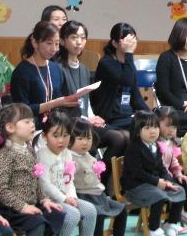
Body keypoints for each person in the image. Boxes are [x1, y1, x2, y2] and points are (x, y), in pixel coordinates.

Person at [55, 21, 128, 186]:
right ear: (63, 41)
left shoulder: (84, 68)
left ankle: (105, 183)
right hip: (70, 123)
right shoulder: (58, 68)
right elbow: (60, 106)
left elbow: (85, 101)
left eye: (82, 38)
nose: (79, 42)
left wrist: (93, 116)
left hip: (86, 121)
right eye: (74, 37)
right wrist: (87, 119)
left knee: (126, 136)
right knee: (117, 138)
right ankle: (96, 180)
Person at [0, 103, 65, 236]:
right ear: (10, 127)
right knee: (37, 223)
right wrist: (23, 207)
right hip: (12, 209)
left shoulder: (29, 149)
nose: (32, 125)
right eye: (27, 122)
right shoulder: (3, 156)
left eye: (32, 121)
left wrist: (44, 199)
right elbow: (1, 190)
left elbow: (36, 179)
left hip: (32, 204)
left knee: (56, 214)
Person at [121, 111, 186, 236]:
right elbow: (138, 173)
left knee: (179, 190)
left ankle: (171, 223)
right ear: (137, 131)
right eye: (147, 128)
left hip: (152, 183)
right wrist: (157, 182)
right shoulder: (134, 148)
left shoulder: (156, 145)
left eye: (155, 127)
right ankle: (153, 228)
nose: (153, 131)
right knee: (158, 195)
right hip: (135, 187)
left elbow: (161, 168)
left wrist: (168, 180)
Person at [36, 111, 97, 236]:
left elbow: (69, 180)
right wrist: (64, 199)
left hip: (66, 197)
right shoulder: (42, 155)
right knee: (72, 215)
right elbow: (45, 185)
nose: (61, 140)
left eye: (65, 135)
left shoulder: (67, 153)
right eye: (56, 136)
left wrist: (72, 197)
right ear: (45, 136)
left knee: (90, 210)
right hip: (49, 200)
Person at [10, 21, 79, 128]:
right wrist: (54, 103)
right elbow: (21, 110)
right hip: (30, 127)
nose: (54, 49)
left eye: (57, 44)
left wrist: (68, 102)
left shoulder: (56, 68)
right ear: (34, 42)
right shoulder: (22, 72)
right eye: (49, 43)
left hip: (54, 126)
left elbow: (60, 98)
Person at [70, 118, 127, 236]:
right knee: (98, 216)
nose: (85, 142)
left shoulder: (89, 156)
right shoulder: (69, 158)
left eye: (88, 138)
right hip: (84, 197)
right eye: (80, 138)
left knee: (122, 210)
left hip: (99, 196)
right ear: (69, 139)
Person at [91, 23, 148, 131]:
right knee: (138, 129)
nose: (131, 43)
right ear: (115, 43)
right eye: (127, 40)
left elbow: (136, 97)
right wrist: (129, 53)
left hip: (127, 116)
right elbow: (126, 80)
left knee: (153, 123)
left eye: (134, 39)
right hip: (110, 118)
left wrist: (150, 115)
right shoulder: (106, 62)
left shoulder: (129, 64)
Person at [154, 106, 187, 231]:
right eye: (167, 125)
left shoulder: (169, 142)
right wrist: (171, 177)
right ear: (156, 123)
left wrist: (179, 174)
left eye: (174, 127)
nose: (171, 130)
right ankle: (171, 221)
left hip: (168, 176)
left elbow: (173, 162)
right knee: (178, 188)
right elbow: (159, 166)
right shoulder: (155, 143)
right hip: (158, 178)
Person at [155, 18, 187, 121]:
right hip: (174, 108)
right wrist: (182, 105)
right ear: (177, 35)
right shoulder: (166, 58)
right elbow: (163, 91)